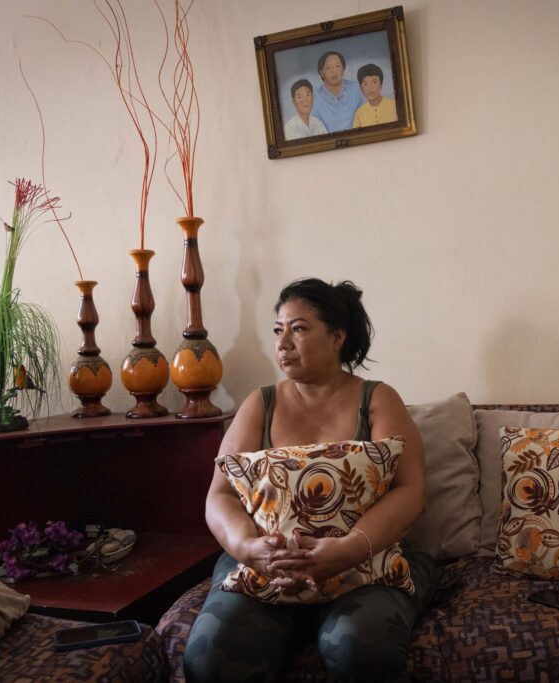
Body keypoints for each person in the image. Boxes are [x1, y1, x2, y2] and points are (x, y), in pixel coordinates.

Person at [184, 278, 435, 682]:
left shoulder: (378, 399)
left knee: (361, 651)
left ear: (337, 336)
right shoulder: (260, 404)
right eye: (278, 330)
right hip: (266, 567)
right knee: (210, 659)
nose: (282, 342)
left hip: (364, 569)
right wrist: (248, 548)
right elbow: (221, 494)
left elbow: (411, 490)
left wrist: (348, 549)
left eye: (298, 328)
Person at [310, 51, 366, 133]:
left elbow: (367, 117)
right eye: (328, 67)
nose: (334, 71)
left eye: (338, 66)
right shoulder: (314, 99)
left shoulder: (357, 88)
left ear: (343, 69)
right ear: (322, 73)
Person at [352, 64, 398, 128]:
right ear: (361, 88)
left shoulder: (395, 106)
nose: (370, 87)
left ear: (381, 85)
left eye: (374, 82)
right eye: (365, 84)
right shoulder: (359, 113)